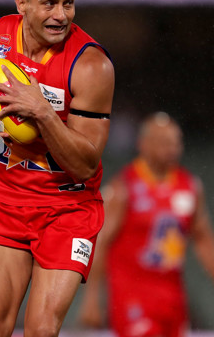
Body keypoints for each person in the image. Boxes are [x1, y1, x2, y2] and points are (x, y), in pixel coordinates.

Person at [0, 0, 115, 337]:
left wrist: (41, 111)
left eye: (68, 3)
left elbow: (87, 165)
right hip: (4, 200)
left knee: (41, 330)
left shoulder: (91, 65)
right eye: (49, 3)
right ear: (21, 4)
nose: (61, 14)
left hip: (68, 209)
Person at [79, 112, 214, 337]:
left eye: (175, 142)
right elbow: (100, 242)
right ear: (144, 144)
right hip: (132, 296)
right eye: (163, 142)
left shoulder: (190, 186)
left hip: (173, 297)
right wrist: (92, 297)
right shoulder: (124, 188)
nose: (171, 148)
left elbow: (203, 239)